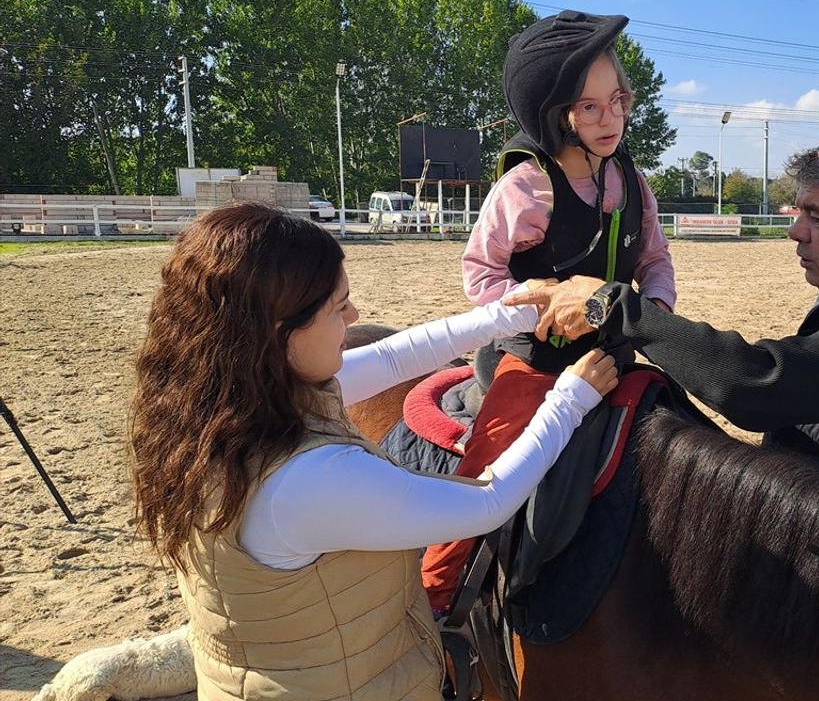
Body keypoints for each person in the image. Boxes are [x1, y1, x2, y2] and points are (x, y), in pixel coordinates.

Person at [129, 202, 617, 699]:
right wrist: (570, 399)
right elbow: (487, 501)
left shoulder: (223, 402)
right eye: (338, 307)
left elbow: (388, 355)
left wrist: (508, 310)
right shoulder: (311, 478)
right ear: (281, 333)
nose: (355, 316)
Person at [507, 123, 819, 515]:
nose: (796, 231)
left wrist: (613, 306)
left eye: (816, 218)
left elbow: (756, 381)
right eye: (799, 213)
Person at [421, 9, 676, 609]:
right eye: (589, 107)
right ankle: (439, 601)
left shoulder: (635, 184)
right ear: (558, 112)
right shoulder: (525, 187)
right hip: (536, 360)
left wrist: (656, 308)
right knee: (485, 471)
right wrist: (531, 313)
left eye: (617, 100)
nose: (610, 117)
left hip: (615, 353)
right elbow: (479, 270)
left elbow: (656, 260)